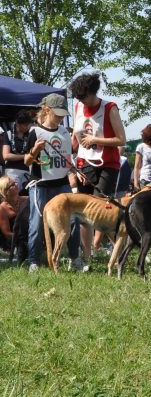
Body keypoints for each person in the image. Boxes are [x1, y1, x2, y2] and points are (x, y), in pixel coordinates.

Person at [70, 72, 127, 262]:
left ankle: (120, 251)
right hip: (84, 163)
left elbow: (121, 139)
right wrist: (74, 163)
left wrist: (95, 139)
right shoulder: (78, 106)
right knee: (83, 213)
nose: (81, 101)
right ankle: (86, 258)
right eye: (78, 98)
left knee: (99, 210)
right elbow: (75, 138)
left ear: (93, 92)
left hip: (107, 165)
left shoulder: (110, 108)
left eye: (83, 97)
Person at [23, 94, 82, 272]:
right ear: (47, 110)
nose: (61, 118)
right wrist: (35, 150)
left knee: (73, 221)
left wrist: (75, 171)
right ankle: (33, 261)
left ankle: (75, 258)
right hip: (40, 185)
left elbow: (67, 159)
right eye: (57, 114)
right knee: (37, 223)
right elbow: (26, 161)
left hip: (62, 184)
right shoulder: (35, 132)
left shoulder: (64, 132)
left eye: (63, 114)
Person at [2, 110, 33, 191]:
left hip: (27, 172)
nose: (27, 127)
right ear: (17, 123)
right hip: (12, 171)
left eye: (28, 125)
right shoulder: (8, 134)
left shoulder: (30, 135)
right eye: (25, 125)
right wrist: (25, 156)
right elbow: (6, 156)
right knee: (13, 194)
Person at [0, 176, 27, 251]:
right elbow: (7, 233)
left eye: (15, 182)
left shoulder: (27, 199)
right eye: (12, 185)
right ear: (5, 191)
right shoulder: (2, 209)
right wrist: (24, 238)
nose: (16, 184)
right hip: (13, 244)